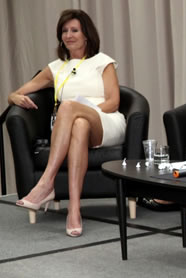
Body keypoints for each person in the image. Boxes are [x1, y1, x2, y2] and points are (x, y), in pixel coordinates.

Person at [11, 9, 125, 237]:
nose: (69, 35)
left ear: (86, 35)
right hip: (74, 127)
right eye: (64, 31)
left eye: (75, 30)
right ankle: (74, 210)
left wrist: (81, 109)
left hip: (105, 121)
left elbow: (113, 102)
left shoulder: (102, 61)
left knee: (70, 108)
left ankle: (46, 183)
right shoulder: (56, 68)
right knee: (79, 124)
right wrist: (12, 97)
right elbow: (21, 90)